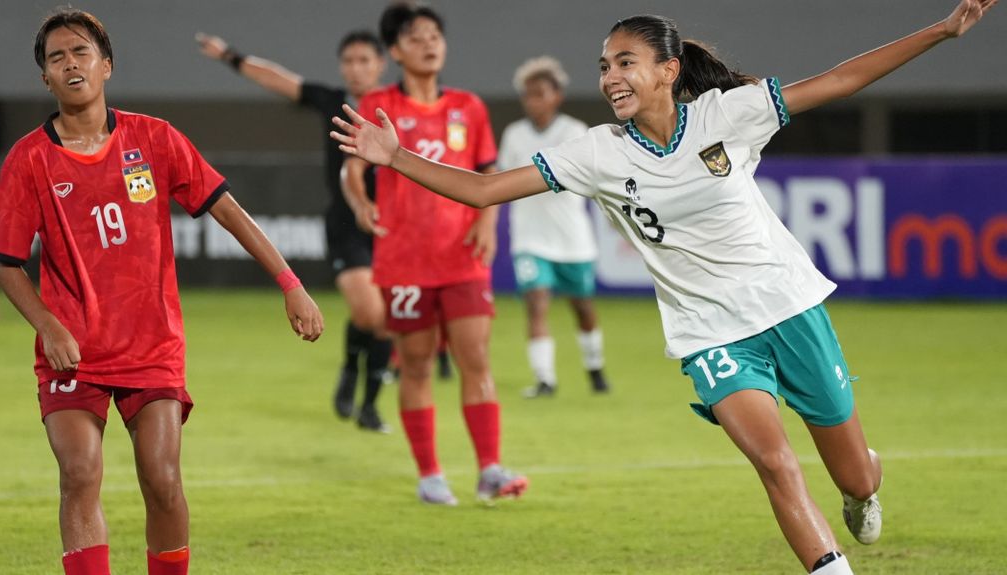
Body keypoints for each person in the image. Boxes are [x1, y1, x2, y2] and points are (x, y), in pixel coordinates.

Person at [331, 0, 996, 570]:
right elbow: (483, 188)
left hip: (787, 306)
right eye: (604, 65)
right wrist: (396, 158)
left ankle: (862, 484)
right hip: (709, 331)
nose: (611, 75)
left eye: (626, 61)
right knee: (773, 460)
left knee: (852, 472)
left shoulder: (726, 115)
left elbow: (844, 78)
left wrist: (940, 30)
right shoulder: (597, 151)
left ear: (667, 70)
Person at [0, 9, 324, 575]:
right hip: (75, 350)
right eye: (56, 58)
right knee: (79, 472)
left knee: (164, 482)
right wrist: (48, 324)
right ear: (45, 78)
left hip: (151, 345)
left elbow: (230, 213)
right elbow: (5, 262)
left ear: (106, 65)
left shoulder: (155, 138)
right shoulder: (29, 159)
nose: (70, 64)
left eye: (81, 52)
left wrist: (290, 283)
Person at [343, 1, 528, 505]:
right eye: (416, 36)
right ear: (397, 50)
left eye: (435, 35)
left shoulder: (468, 107)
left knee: (476, 358)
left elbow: (488, 176)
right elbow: (352, 168)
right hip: (403, 260)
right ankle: (429, 475)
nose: (429, 43)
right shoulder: (380, 103)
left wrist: (488, 222)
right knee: (417, 365)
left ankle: (490, 468)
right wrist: (360, 201)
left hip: (461, 257)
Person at [195, 29, 394, 433]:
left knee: (386, 321)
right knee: (370, 311)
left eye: (364, 60)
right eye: (349, 60)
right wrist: (230, 56)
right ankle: (351, 367)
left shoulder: (398, 108)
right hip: (347, 224)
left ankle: (370, 406)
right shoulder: (333, 100)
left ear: (381, 64)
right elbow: (277, 78)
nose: (356, 68)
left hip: (394, 227)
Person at [498, 56, 610, 398]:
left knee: (583, 308)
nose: (533, 101)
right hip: (530, 238)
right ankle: (545, 379)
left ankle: (594, 367)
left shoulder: (574, 132)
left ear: (556, 95)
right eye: (528, 95)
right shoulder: (514, 134)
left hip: (572, 239)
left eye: (540, 93)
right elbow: (499, 179)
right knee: (536, 301)